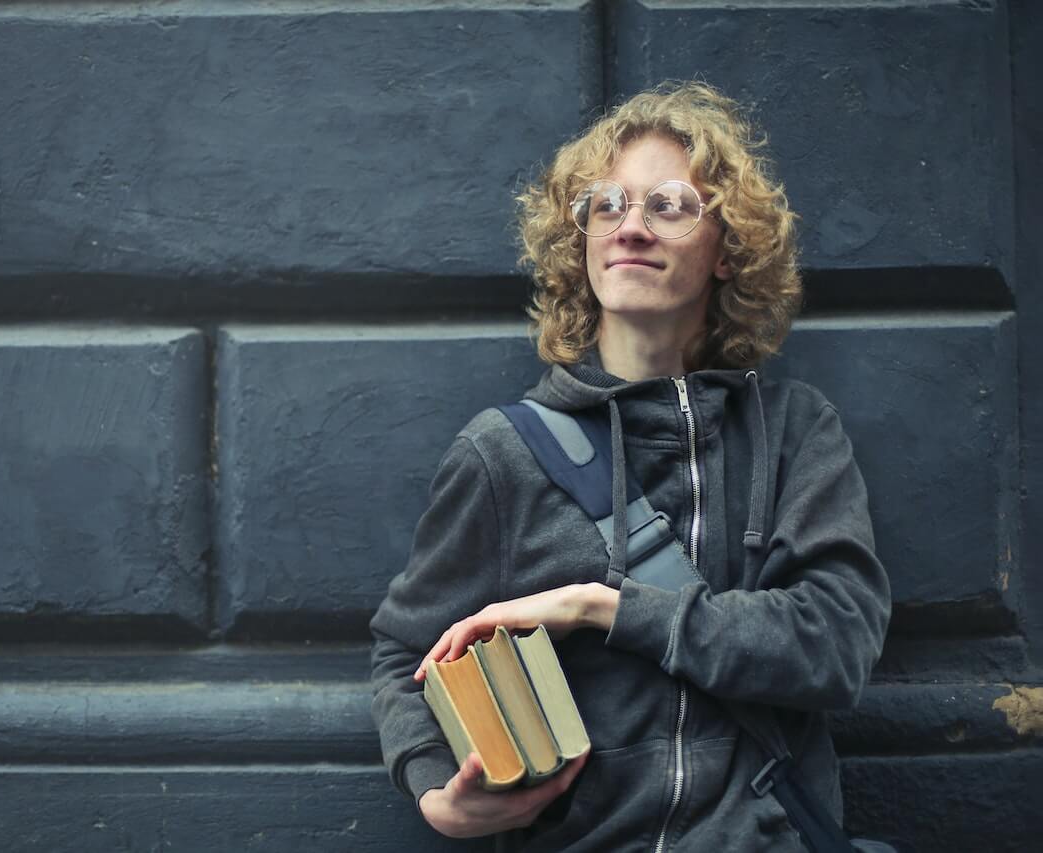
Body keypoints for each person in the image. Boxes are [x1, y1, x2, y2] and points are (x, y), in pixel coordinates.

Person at [369, 80, 892, 851]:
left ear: (727, 249)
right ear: (580, 241)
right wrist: (434, 790)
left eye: (670, 205)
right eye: (606, 205)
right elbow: (404, 655)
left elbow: (835, 646)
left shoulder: (792, 434)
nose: (631, 227)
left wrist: (603, 607)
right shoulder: (505, 452)